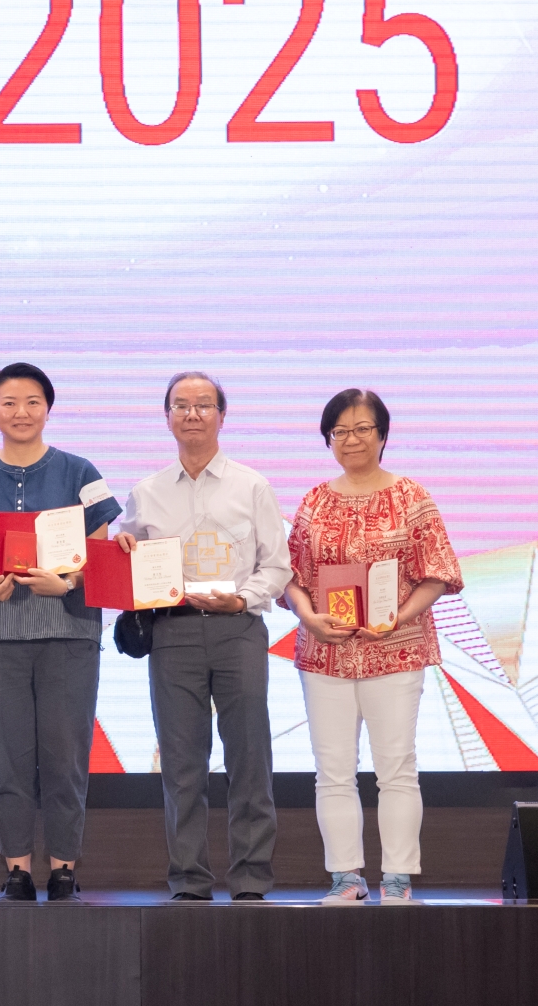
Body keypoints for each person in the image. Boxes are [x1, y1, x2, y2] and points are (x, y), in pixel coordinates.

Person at [0, 362, 120, 903]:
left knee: (66, 756)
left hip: (69, 633)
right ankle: (17, 869)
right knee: (7, 757)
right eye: (9, 402)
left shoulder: (80, 471)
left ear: (48, 408)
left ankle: (64, 867)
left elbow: (100, 553)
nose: (21, 412)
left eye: (33, 402)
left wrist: (66, 583)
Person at [112, 371, 290, 903]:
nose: (192, 414)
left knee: (249, 760)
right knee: (183, 765)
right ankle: (189, 881)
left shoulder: (252, 485)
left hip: (238, 628)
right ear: (166, 416)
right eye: (181, 405)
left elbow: (276, 567)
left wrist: (240, 598)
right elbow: (130, 565)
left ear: (221, 414)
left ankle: (252, 880)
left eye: (204, 405)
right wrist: (122, 547)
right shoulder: (145, 492)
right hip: (174, 632)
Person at [283, 388, 462, 906]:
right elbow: (291, 575)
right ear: (328, 440)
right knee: (333, 770)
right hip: (326, 653)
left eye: (363, 429)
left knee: (396, 766)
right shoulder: (314, 500)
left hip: (396, 650)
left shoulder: (412, 497)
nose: (352, 440)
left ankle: (399, 880)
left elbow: (438, 574)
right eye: (340, 431)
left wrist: (396, 616)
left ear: (383, 435)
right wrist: (307, 615)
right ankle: (346, 879)